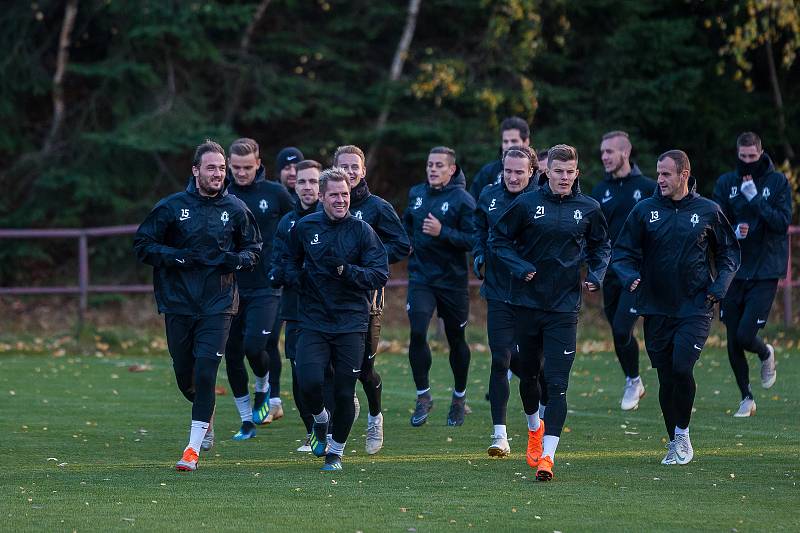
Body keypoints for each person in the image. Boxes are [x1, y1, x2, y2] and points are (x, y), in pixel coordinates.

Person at [133, 139, 261, 471]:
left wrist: (233, 260)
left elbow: (254, 250)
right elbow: (143, 245)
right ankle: (205, 417)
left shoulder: (235, 209)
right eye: (212, 168)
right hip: (177, 303)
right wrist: (177, 256)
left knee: (206, 371)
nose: (218, 173)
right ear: (195, 171)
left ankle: (192, 450)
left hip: (218, 303)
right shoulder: (172, 207)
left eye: (222, 168)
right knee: (185, 375)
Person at [490, 144, 610, 481]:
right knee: (528, 376)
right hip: (527, 305)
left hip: (564, 309)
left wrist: (596, 276)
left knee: (557, 384)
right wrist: (519, 266)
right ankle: (533, 428)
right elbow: (498, 240)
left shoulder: (588, 208)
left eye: (570, 172)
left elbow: (602, 246)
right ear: (547, 172)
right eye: (559, 171)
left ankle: (548, 457)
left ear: (576, 173)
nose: (564, 177)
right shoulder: (527, 204)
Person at [613, 150, 739, 466]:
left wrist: (720, 286)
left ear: (684, 174)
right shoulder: (644, 210)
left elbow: (729, 254)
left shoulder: (708, 210)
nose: (660, 180)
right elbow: (622, 253)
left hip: (695, 305)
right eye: (658, 174)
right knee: (667, 377)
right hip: (655, 307)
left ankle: (682, 435)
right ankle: (673, 441)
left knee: (682, 368)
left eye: (666, 174)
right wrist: (630, 277)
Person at [284, 167, 389, 471]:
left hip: (351, 322)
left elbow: (380, 273)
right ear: (321, 196)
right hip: (314, 320)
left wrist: (348, 271)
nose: (341, 199)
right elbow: (287, 261)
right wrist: (297, 278)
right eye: (335, 195)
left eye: (345, 194)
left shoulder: (362, 231)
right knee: (308, 380)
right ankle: (320, 419)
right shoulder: (304, 227)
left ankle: (336, 452)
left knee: (344, 390)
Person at [333, 145, 411, 454]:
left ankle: (375, 414)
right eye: (344, 166)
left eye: (355, 166)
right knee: (329, 368)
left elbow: (402, 245)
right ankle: (328, 428)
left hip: (368, 299)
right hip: (328, 300)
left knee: (364, 369)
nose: (350, 171)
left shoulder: (377, 208)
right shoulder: (325, 205)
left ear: (364, 171)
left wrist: (370, 258)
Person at [712, 132, 792, 417]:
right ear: (737, 154)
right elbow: (717, 222)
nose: (747, 162)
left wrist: (756, 199)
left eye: (752, 157)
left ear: (760, 153)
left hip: (765, 269)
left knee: (747, 334)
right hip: (734, 269)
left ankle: (765, 352)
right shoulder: (726, 183)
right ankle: (746, 396)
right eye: (743, 157)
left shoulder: (777, 182)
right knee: (733, 338)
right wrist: (733, 232)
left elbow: (782, 223)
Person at [223, 138, 294, 441]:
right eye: (235, 168)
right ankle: (246, 421)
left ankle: (264, 387)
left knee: (256, 346)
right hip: (230, 285)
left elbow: (299, 222)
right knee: (231, 353)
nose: (241, 173)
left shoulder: (275, 193)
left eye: (247, 168)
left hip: (267, 285)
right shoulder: (221, 194)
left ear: (258, 163)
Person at [404, 146, 477, 427]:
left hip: (452, 281)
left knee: (456, 339)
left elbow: (473, 239)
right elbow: (406, 224)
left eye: (439, 165)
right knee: (418, 331)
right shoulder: (417, 194)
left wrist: (443, 232)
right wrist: (407, 242)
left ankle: (459, 398)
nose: (433, 169)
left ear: (452, 169)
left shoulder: (462, 200)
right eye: (429, 164)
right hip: (422, 277)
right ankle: (423, 396)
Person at [473, 145, 538, 457]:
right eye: (508, 171)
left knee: (533, 367)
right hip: (499, 290)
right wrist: (478, 255)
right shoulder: (489, 196)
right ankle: (499, 434)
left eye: (519, 172)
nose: (512, 177)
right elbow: (479, 228)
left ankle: (535, 424)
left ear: (531, 172)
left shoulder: (542, 199)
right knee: (500, 358)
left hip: (534, 294)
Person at [590, 131, 657, 411]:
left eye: (610, 152)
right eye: (602, 152)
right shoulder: (598, 192)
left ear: (625, 153)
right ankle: (634, 379)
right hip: (611, 273)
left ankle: (646, 379)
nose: (604, 156)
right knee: (619, 333)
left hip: (639, 273)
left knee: (622, 327)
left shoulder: (649, 187)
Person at [270, 160, 322, 451]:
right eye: (302, 182)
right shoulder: (287, 222)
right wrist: (278, 273)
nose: (307, 187)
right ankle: (313, 430)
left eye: (313, 182)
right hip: (295, 308)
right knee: (299, 373)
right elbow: (278, 260)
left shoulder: (333, 218)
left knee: (322, 374)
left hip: (328, 310)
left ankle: (329, 426)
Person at [469, 117, 532, 200]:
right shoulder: (488, 172)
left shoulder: (540, 169)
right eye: (505, 141)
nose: (509, 145)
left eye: (514, 141)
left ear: (526, 142)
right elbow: (473, 202)